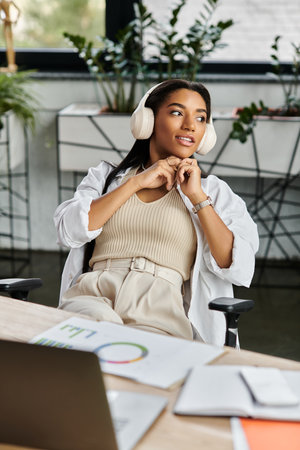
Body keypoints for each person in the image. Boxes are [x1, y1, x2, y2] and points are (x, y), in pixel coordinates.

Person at [54, 79, 259, 347]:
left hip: (161, 307)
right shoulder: (106, 177)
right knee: (93, 343)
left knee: (137, 365)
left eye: (201, 118)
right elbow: (67, 231)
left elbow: (238, 267)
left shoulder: (214, 192)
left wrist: (198, 198)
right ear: (147, 120)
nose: (190, 125)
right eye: (177, 112)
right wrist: (136, 183)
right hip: (93, 295)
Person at [0, 0, 20, 72]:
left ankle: (11, 64)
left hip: (9, 23)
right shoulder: (2, 3)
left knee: (10, 43)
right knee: (8, 43)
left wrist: (14, 20)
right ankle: (11, 64)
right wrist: (4, 19)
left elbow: (18, 11)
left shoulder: (9, 2)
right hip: (7, 23)